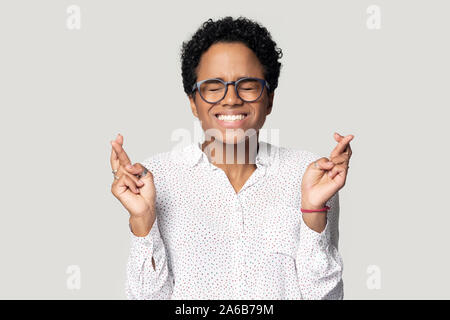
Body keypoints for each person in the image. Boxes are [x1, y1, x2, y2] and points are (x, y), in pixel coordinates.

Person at [110, 16, 353, 300]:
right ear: (193, 103)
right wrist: (143, 220)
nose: (230, 99)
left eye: (247, 85)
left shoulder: (308, 176)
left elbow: (325, 298)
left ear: (269, 99)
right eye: (213, 87)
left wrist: (313, 212)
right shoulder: (157, 178)